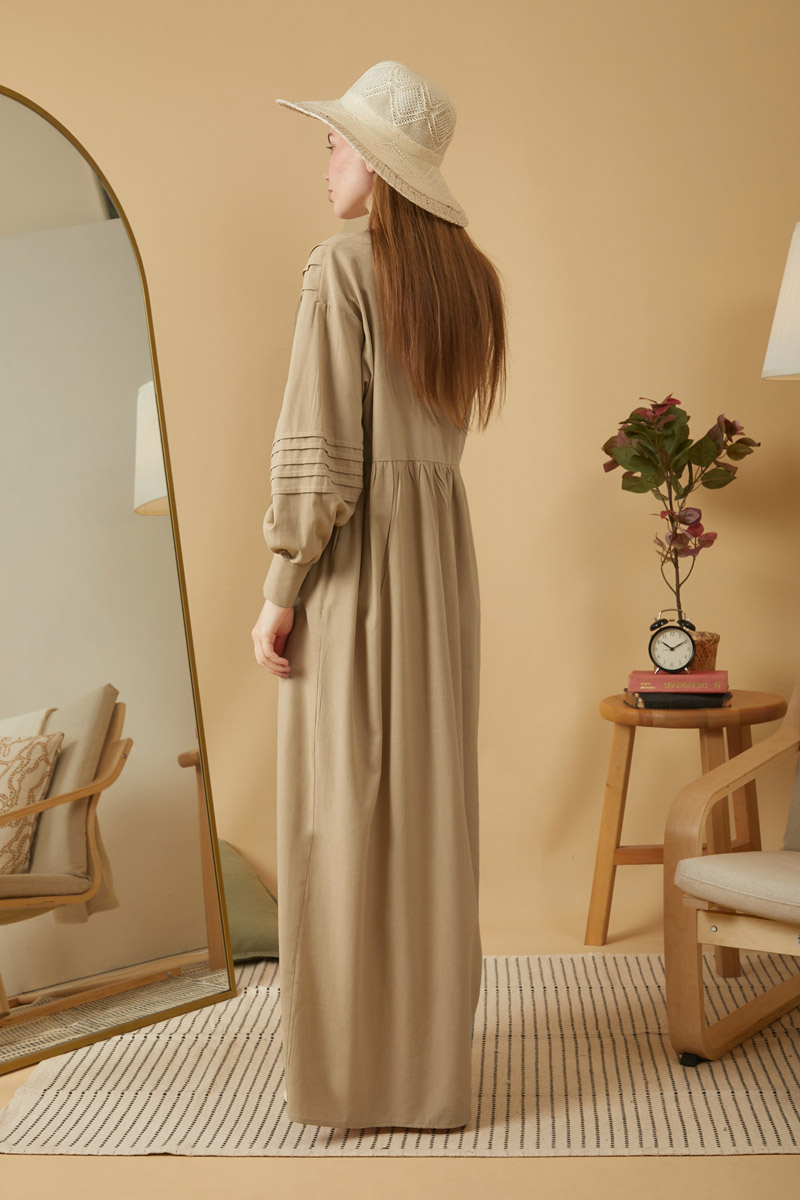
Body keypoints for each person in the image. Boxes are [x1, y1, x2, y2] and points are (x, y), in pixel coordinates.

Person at [251, 60, 506, 1130]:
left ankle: (354, 1079)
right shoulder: (470, 281)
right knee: (427, 815)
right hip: (439, 560)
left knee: (338, 816)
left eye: (333, 144)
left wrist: (281, 584)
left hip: (358, 562)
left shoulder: (339, 267)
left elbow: (319, 456)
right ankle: (429, 1077)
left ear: (374, 162)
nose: (325, 163)